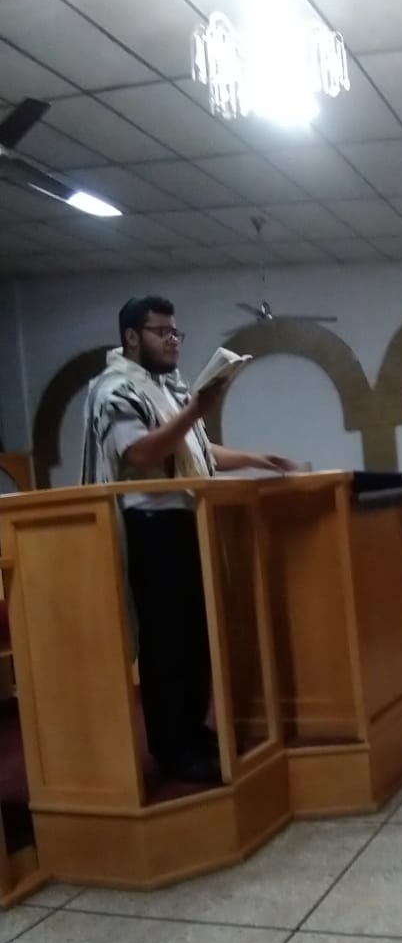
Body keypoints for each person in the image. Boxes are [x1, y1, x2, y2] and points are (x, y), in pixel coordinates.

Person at [82, 296, 295, 784]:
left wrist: (255, 458)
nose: (173, 341)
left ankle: (195, 731)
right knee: (167, 640)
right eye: (162, 333)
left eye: (176, 333)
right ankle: (171, 747)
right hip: (150, 526)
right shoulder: (115, 390)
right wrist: (197, 408)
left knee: (196, 634)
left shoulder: (167, 388)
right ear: (131, 337)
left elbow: (195, 449)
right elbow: (140, 453)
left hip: (186, 518)